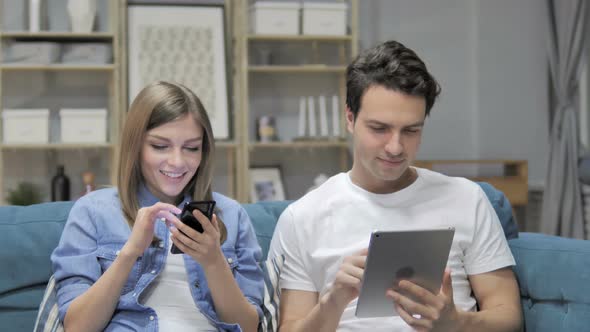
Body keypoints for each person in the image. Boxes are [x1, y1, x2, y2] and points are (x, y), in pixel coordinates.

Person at [268, 40, 523, 332]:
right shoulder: (302, 218)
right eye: (379, 129)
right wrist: (334, 301)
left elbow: (509, 317)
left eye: (411, 131)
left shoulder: (467, 198)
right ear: (350, 119)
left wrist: (456, 323)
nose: (395, 147)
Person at [51, 81, 264, 332]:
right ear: (136, 147)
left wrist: (214, 261)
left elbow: (248, 327)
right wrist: (131, 251)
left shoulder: (232, 215)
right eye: (160, 146)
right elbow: (78, 327)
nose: (177, 162)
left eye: (191, 148)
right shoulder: (93, 211)